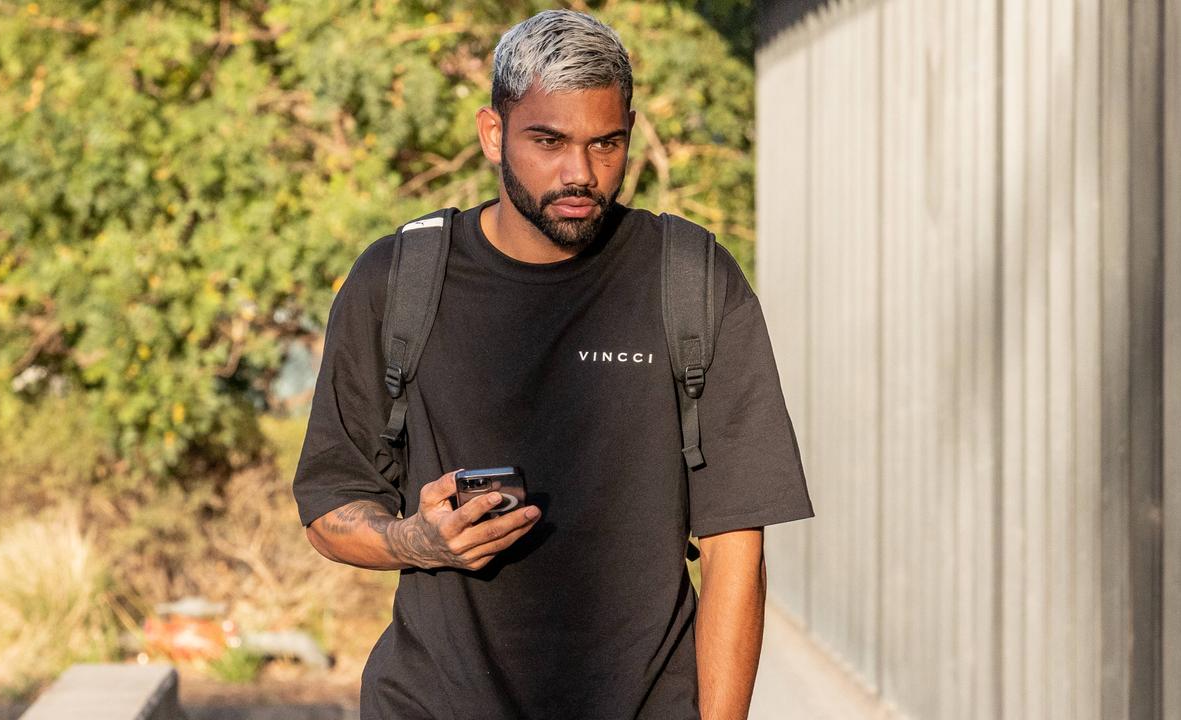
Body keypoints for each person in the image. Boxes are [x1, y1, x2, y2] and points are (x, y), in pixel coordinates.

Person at [293, 9, 814, 720]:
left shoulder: (691, 281)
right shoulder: (398, 281)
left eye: (607, 143)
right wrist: (417, 540)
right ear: (492, 133)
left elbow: (734, 550)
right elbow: (328, 506)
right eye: (549, 141)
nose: (581, 172)